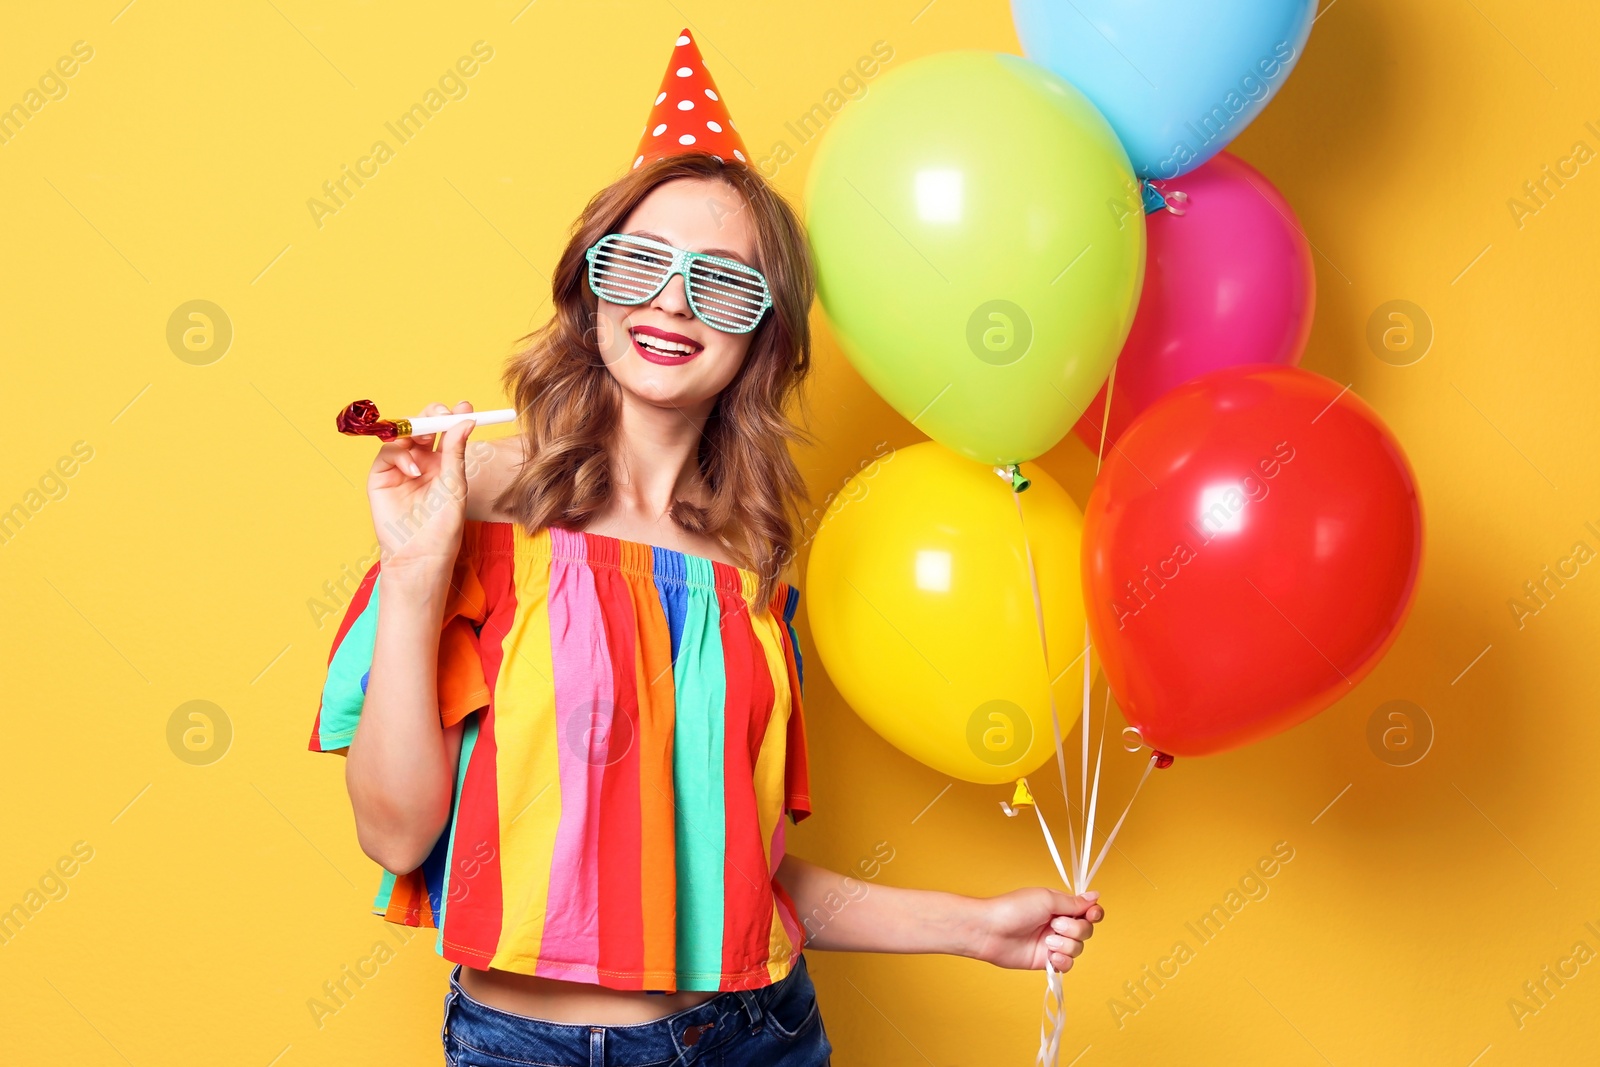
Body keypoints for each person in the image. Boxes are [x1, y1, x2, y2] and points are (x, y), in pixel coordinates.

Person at [309, 29, 1103, 1067]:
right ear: (589, 288)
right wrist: (416, 569)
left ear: (762, 336)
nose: (672, 302)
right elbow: (396, 835)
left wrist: (969, 923)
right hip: (527, 1047)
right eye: (637, 263)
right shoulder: (475, 512)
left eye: (722, 283)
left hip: (757, 1034)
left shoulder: (752, 566)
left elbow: (726, 881)